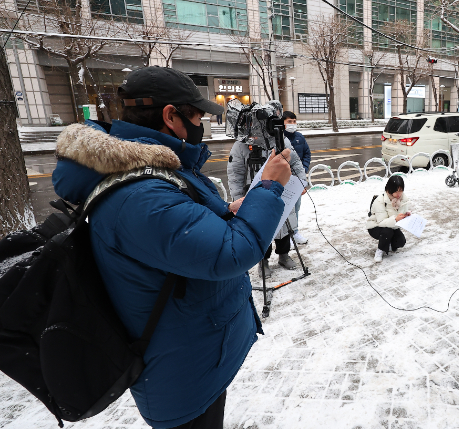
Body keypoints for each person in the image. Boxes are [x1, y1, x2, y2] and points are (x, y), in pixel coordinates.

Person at [51, 66, 293, 429]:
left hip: (200, 352)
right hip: (182, 376)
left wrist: (226, 212)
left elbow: (183, 236)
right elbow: (230, 254)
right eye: (196, 115)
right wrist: (270, 187)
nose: (201, 124)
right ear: (170, 115)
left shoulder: (158, 169)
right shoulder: (140, 195)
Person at [227, 103, 307, 278]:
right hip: (254, 193)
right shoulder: (240, 145)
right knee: (261, 229)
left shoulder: (281, 140)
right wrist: (238, 198)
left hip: (281, 190)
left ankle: (284, 255)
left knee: (284, 224)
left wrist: (302, 182)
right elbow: (235, 174)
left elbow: (295, 162)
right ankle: (263, 261)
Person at [366, 175, 411, 262]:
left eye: (401, 190)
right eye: (396, 191)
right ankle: (380, 250)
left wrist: (406, 215)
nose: (399, 194)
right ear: (390, 189)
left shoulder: (403, 199)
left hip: (392, 225)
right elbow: (381, 222)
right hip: (375, 226)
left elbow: (400, 214)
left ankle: (388, 243)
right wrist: (396, 219)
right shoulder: (380, 200)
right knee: (387, 232)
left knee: (401, 241)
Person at [283, 110, 311, 245]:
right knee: (285, 209)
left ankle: (295, 232)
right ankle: (285, 237)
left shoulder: (300, 137)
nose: (292, 124)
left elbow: (307, 154)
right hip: (282, 179)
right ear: (282, 123)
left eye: (294, 121)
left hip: (296, 179)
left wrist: (303, 169)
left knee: (296, 207)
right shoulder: (279, 138)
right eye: (289, 121)